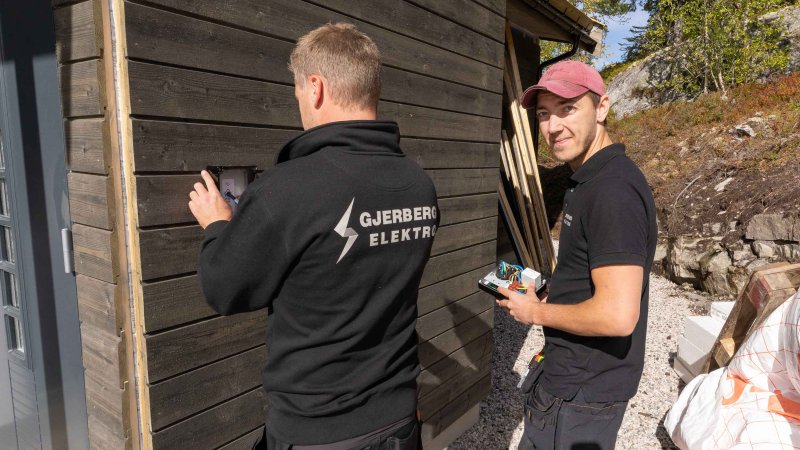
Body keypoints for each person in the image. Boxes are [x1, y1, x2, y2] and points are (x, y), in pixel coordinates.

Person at [187, 23, 438, 450]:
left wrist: (217, 225)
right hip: (398, 423)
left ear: (316, 87)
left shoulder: (288, 188)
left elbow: (224, 290)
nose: (299, 101)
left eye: (298, 90)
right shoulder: (418, 183)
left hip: (318, 433)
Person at [496, 60, 657, 450]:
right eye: (544, 115)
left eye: (568, 109)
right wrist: (558, 295)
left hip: (582, 391)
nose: (553, 127)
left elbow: (618, 316)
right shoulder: (589, 179)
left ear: (602, 108)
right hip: (574, 378)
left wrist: (535, 313)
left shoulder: (612, 192)